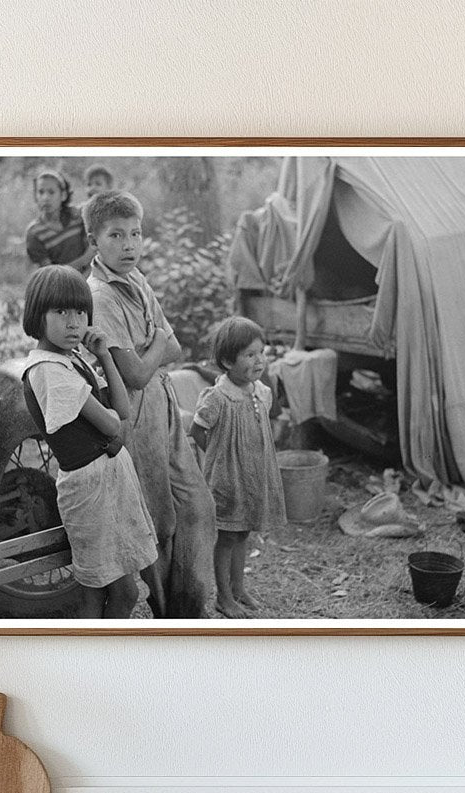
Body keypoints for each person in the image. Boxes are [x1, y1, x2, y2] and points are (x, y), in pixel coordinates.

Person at [84, 190, 216, 618]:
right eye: (116, 235)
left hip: (163, 402)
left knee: (196, 504)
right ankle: (167, 613)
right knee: (156, 517)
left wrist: (154, 346)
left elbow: (175, 349)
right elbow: (135, 373)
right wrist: (156, 339)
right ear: (94, 240)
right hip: (134, 414)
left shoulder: (137, 279)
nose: (129, 245)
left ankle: (189, 606)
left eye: (136, 234)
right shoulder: (100, 296)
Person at [21, 265, 158, 619]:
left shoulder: (69, 359)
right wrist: (115, 427)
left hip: (107, 479)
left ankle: (93, 657)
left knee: (98, 592)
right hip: (89, 486)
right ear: (37, 316)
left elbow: (122, 409)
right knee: (122, 591)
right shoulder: (48, 370)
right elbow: (113, 426)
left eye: (81, 312)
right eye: (61, 312)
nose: (73, 323)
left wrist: (105, 355)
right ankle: (99, 658)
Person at [191, 317, 286, 618]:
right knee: (227, 537)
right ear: (227, 361)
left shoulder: (261, 391)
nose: (259, 360)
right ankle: (223, 596)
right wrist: (221, 459)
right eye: (250, 355)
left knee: (243, 533)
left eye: (261, 352)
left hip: (253, 477)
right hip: (228, 480)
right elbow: (197, 431)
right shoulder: (218, 398)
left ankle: (238, 587)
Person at [25, 169, 94, 273]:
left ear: (63, 195)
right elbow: (51, 274)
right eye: (40, 192)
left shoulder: (78, 216)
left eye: (51, 192)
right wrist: (84, 260)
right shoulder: (35, 233)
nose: (45, 198)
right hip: (62, 284)